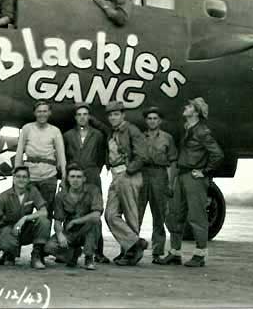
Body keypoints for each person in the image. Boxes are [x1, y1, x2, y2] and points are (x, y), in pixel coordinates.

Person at [157, 98, 224, 267]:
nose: (185, 108)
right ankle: (175, 253)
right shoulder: (187, 128)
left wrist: (204, 172)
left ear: (196, 112)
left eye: (189, 106)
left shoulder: (202, 131)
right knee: (175, 214)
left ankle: (200, 255)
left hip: (194, 178)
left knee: (196, 216)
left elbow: (218, 154)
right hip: (181, 174)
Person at [63, 102, 110, 263]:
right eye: (79, 115)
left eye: (85, 114)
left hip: (91, 173)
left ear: (89, 116)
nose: (82, 117)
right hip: (73, 173)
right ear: (75, 118)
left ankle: (98, 251)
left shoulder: (98, 135)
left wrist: (94, 170)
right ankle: (70, 249)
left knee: (95, 211)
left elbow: (101, 155)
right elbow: (65, 157)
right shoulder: (68, 135)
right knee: (70, 208)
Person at [0, 166, 51, 270]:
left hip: (24, 229)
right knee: (7, 240)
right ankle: (9, 254)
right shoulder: (4, 196)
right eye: (18, 177)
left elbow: (44, 212)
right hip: (8, 230)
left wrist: (25, 218)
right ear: (13, 178)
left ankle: (36, 256)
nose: (21, 179)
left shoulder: (33, 192)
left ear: (29, 179)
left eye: (25, 177)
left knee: (44, 222)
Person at [103, 100, 147, 266]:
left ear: (123, 115)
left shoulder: (131, 130)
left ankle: (130, 254)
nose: (113, 118)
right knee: (110, 215)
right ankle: (135, 244)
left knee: (130, 215)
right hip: (116, 174)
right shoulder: (113, 132)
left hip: (128, 175)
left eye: (116, 114)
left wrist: (129, 171)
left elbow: (141, 154)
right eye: (110, 115)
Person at [14, 100, 67, 220]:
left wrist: (64, 176)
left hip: (48, 177)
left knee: (46, 212)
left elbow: (61, 155)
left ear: (49, 113)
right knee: (23, 210)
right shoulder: (27, 128)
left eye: (44, 111)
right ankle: (24, 236)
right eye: (39, 111)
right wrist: (16, 173)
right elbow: (19, 151)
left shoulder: (55, 131)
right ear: (35, 113)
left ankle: (43, 238)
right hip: (29, 177)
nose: (42, 114)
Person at [45, 163, 103, 270]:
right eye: (72, 177)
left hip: (87, 229)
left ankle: (89, 257)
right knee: (49, 247)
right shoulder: (61, 196)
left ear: (84, 179)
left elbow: (96, 214)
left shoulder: (93, 191)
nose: (75, 180)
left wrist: (76, 221)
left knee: (95, 222)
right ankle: (72, 253)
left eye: (79, 177)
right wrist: (59, 235)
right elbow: (57, 220)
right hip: (70, 232)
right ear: (67, 178)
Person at [138, 107, 177, 264]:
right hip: (142, 175)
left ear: (159, 121)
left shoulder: (167, 138)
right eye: (149, 118)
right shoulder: (140, 137)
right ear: (146, 121)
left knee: (159, 215)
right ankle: (131, 248)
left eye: (155, 118)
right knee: (136, 214)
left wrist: (170, 182)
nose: (152, 121)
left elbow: (173, 161)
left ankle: (157, 251)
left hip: (159, 176)